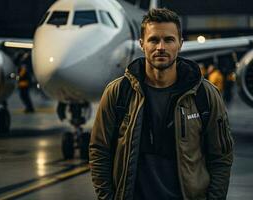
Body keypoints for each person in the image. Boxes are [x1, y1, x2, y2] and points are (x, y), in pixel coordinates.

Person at [89, 8, 233, 200]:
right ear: (142, 44)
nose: (161, 47)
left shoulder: (205, 95)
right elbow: (99, 150)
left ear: (180, 44)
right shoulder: (118, 93)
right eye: (154, 40)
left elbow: (221, 157)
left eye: (169, 40)